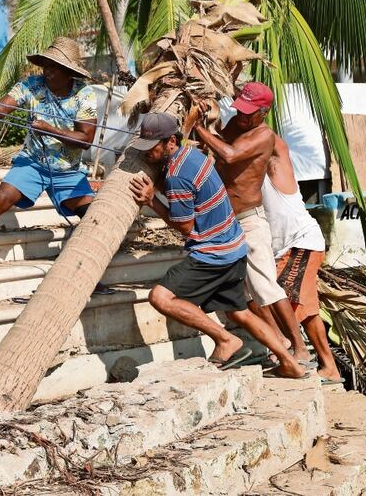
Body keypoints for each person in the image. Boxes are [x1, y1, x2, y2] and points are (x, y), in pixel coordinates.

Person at [127, 113, 307, 378]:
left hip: (212, 252)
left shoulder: (177, 176)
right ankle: (290, 364)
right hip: (234, 245)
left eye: (153, 148)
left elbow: (186, 228)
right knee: (239, 313)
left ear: (171, 142)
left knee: (160, 297)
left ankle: (226, 341)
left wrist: (152, 200)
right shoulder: (192, 155)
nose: (148, 154)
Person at [0, 37, 97, 280]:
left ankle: (88, 273)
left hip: (68, 171)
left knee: (93, 217)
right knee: (1, 197)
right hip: (33, 162)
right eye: (46, 65)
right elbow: (1, 109)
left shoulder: (84, 94)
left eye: (54, 67)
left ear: (69, 72)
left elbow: (85, 138)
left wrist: (51, 130)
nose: (47, 72)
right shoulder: (31, 85)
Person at [192, 82, 313, 368]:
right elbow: (220, 142)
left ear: (264, 112)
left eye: (249, 114)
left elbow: (229, 154)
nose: (243, 118)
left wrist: (199, 130)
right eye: (241, 112)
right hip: (226, 221)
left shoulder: (264, 135)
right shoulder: (237, 124)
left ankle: (300, 347)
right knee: (244, 292)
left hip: (249, 220)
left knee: (267, 288)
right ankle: (278, 342)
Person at [263, 133, 344, 383]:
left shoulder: (276, 160)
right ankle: (328, 367)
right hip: (284, 249)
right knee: (306, 310)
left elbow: (271, 140)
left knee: (278, 295)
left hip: (301, 243)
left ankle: (289, 350)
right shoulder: (244, 166)